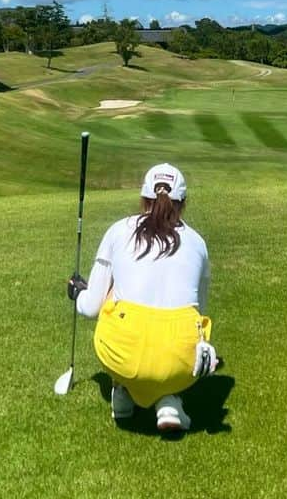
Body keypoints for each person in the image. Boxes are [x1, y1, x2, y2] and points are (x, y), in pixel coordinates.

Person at [67, 162, 217, 433]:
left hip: (121, 354)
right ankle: (168, 401)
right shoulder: (198, 242)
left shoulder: (119, 230)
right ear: (182, 203)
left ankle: (122, 388)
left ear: (144, 198)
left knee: (115, 296)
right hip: (183, 364)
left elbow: (90, 308)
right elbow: (199, 310)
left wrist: (78, 294)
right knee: (179, 324)